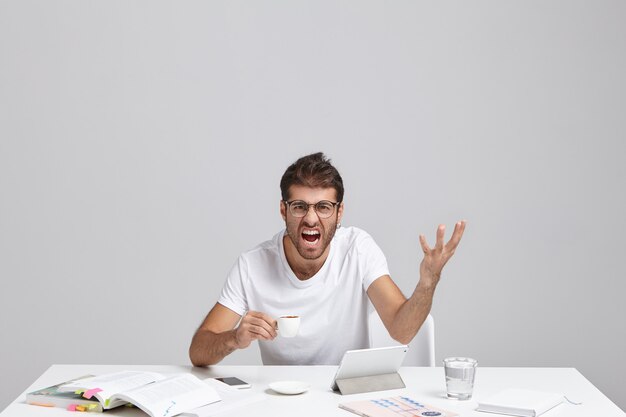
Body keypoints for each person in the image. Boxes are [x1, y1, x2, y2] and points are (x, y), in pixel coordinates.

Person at [189, 152, 466, 366]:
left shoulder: (358, 249)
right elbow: (199, 350)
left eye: (323, 207)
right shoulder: (252, 265)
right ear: (283, 211)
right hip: (280, 405)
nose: (311, 218)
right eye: (299, 207)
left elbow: (401, 331)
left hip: (345, 399)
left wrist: (428, 282)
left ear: (339, 212)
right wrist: (235, 338)